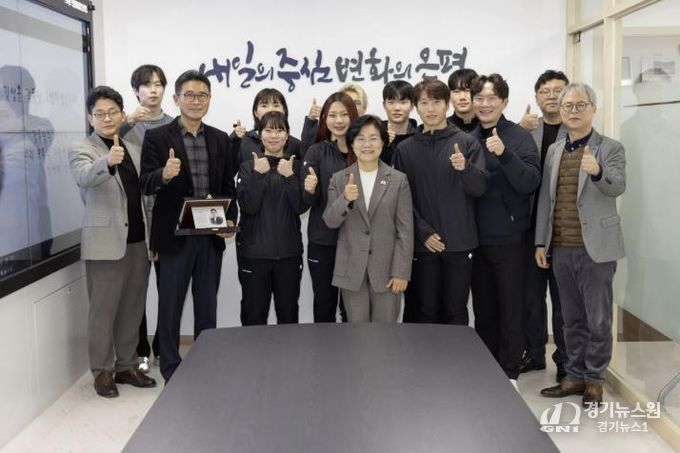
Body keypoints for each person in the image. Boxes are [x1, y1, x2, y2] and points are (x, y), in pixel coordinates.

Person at [139, 70, 237, 382]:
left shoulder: (220, 139)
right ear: (177, 99)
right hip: (173, 238)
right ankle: (170, 367)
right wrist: (164, 175)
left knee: (207, 307)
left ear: (209, 99)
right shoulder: (157, 138)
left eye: (202, 95)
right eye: (189, 95)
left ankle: (205, 364)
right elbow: (145, 183)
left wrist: (229, 219)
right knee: (170, 307)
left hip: (209, 237)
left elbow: (228, 187)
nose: (196, 101)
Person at [537, 82, 626, 407]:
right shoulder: (554, 150)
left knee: (598, 319)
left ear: (593, 109)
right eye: (568, 106)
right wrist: (540, 242)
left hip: (596, 249)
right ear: (560, 111)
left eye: (580, 105)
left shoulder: (610, 148)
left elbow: (618, 186)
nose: (573, 111)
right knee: (570, 318)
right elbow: (546, 201)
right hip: (562, 247)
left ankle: (595, 380)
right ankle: (574, 376)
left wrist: (598, 171)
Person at [68, 86, 157, 397]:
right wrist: (107, 161)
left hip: (138, 241)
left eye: (113, 112)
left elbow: (145, 195)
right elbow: (83, 177)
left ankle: (126, 366)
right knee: (102, 312)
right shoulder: (82, 148)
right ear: (90, 117)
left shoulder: (133, 145)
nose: (107, 118)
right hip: (105, 244)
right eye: (100, 114)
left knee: (132, 308)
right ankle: (102, 371)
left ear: (122, 114)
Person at [393, 78, 487, 325]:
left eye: (436, 102)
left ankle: (456, 352)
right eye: (424, 103)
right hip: (423, 246)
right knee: (425, 310)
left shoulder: (467, 143)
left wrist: (465, 169)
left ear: (447, 104)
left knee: (455, 310)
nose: (430, 108)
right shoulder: (405, 149)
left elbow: (479, 189)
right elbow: (401, 200)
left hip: (460, 243)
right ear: (416, 107)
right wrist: (423, 232)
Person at [469, 73, 541, 388]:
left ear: (504, 102)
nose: (484, 104)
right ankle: (487, 367)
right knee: (484, 309)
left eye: (491, 98)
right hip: (475, 238)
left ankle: (510, 370)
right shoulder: (468, 138)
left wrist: (504, 154)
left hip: (510, 238)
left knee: (511, 307)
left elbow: (530, 182)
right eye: (479, 98)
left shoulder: (519, 136)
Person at [323, 115, 414, 322]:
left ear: (383, 142)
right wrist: (345, 199)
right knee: (357, 333)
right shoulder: (339, 179)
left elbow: (405, 231)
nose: (367, 145)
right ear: (352, 144)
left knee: (385, 333)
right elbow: (330, 221)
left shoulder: (398, 180)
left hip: (388, 273)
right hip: (351, 271)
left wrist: (401, 272)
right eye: (360, 139)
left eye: (373, 138)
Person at [120, 64, 174, 373]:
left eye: (158, 84)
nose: (153, 90)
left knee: (169, 289)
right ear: (136, 90)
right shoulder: (125, 125)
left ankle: (162, 347)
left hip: (164, 217)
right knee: (136, 291)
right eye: (147, 85)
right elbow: (99, 145)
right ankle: (139, 349)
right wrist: (127, 121)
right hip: (135, 217)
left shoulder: (172, 124)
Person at [518, 70, 570, 382]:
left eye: (558, 90)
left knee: (563, 299)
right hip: (528, 227)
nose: (551, 96)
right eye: (545, 91)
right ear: (536, 96)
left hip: (562, 227)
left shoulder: (576, 129)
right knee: (530, 296)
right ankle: (534, 353)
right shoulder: (527, 128)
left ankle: (564, 360)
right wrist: (519, 129)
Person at [236, 111, 306, 325]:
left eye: (279, 130)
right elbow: (248, 207)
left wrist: (290, 177)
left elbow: (301, 206)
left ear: (287, 135)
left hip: (289, 255)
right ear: (259, 134)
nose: (274, 136)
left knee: (288, 316)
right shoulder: (247, 167)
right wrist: (258, 175)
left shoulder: (296, 166)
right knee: (254, 316)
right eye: (268, 130)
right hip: (254, 255)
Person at [301, 92, 359, 322]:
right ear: (324, 118)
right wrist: (310, 189)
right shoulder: (316, 151)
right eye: (332, 115)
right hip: (323, 242)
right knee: (324, 306)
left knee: (352, 310)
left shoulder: (364, 150)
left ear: (353, 116)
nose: (339, 120)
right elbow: (305, 203)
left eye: (344, 114)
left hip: (356, 242)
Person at [231, 88, 302, 172]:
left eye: (276, 105)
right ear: (255, 112)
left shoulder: (295, 144)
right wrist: (234, 140)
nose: (270, 110)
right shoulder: (243, 140)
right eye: (264, 106)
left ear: (284, 111)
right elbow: (227, 171)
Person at [300, 83, 368, 156]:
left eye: (356, 103)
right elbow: (306, 153)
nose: (351, 106)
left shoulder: (371, 133)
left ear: (364, 108)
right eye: (346, 102)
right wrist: (311, 121)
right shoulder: (329, 132)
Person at [381, 80, 416, 165]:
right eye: (391, 102)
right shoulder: (376, 135)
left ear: (412, 105)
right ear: (384, 105)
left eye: (403, 102)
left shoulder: (419, 136)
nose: (397, 108)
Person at [447, 68, 479, 133]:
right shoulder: (442, 128)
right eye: (456, 91)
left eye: (467, 91)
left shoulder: (489, 125)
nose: (462, 97)